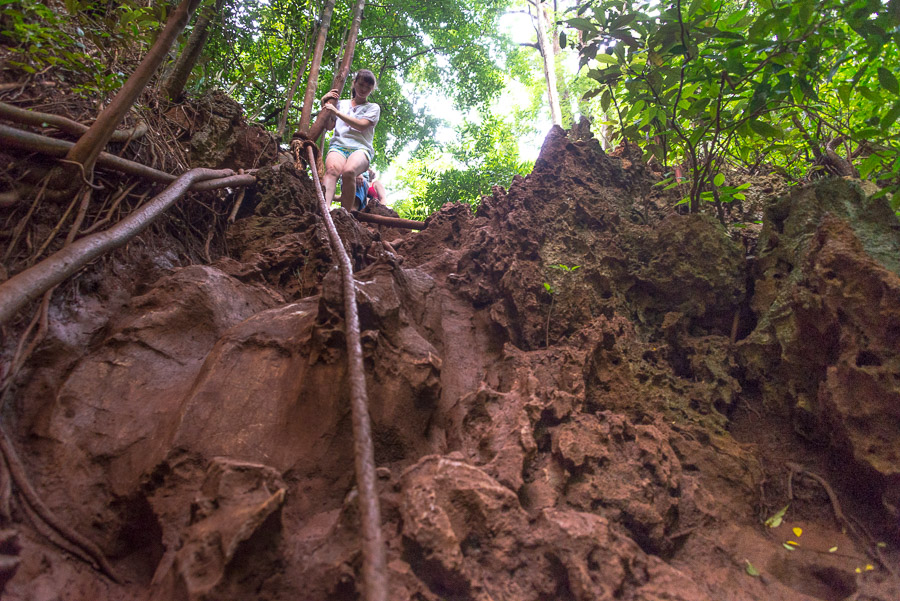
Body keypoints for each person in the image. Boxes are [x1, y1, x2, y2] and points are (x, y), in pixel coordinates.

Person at [321, 69, 380, 210]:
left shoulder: (373, 108)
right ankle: (324, 209)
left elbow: (361, 126)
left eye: (368, 87)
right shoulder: (340, 104)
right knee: (331, 171)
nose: (363, 89)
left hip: (360, 148)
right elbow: (329, 126)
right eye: (361, 85)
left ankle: (345, 215)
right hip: (338, 146)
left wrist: (336, 112)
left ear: (372, 89)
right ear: (354, 83)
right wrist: (324, 104)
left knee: (349, 172)